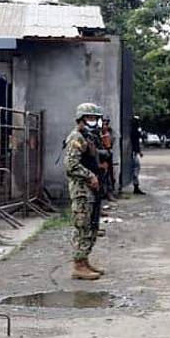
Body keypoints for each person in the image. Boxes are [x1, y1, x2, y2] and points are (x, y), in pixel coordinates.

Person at [64, 103, 106, 280]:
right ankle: (78, 265)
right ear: (81, 119)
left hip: (90, 190)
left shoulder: (87, 136)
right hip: (82, 190)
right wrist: (89, 176)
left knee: (91, 226)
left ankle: (84, 259)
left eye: (95, 118)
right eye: (89, 118)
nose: (93, 121)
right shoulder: (76, 137)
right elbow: (71, 165)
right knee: (82, 226)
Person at [129, 116, 146, 195]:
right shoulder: (134, 131)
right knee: (136, 168)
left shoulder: (133, 130)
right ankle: (136, 187)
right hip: (133, 152)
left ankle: (136, 186)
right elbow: (135, 143)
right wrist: (139, 151)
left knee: (135, 168)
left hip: (133, 152)